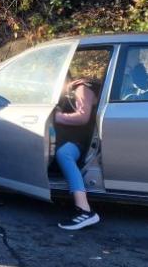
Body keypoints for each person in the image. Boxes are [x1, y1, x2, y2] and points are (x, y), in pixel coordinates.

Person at [53, 77, 101, 230]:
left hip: (79, 140)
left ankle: (84, 210)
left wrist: (56, 117)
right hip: (79, 138)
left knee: (64, 154)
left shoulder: (82, 87)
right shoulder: (82, 88)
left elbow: (82, 117)